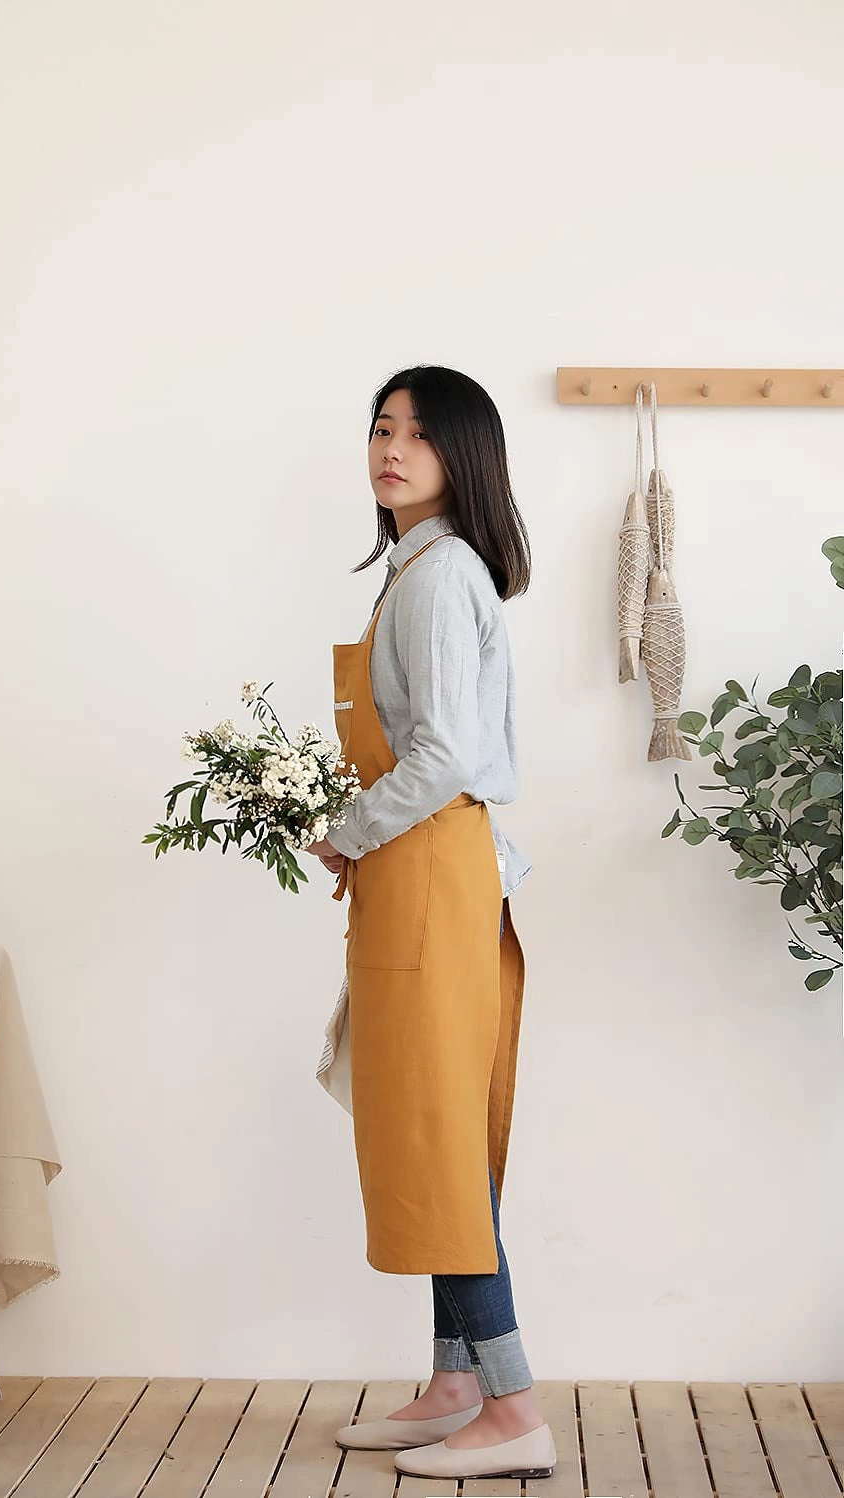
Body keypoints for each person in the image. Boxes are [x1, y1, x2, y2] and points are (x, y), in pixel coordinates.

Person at [302, 366, 557, 1482]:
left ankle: (512, 1406)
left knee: (443, 1138)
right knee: (429, 1127)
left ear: (464, 455)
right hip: (425, 871)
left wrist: (350, 828)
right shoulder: (414, 570)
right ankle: (456, 1385)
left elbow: (444, 753)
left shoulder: (440, 573)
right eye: (379, 428)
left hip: (434, 867)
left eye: (416, 432)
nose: (390, 448)